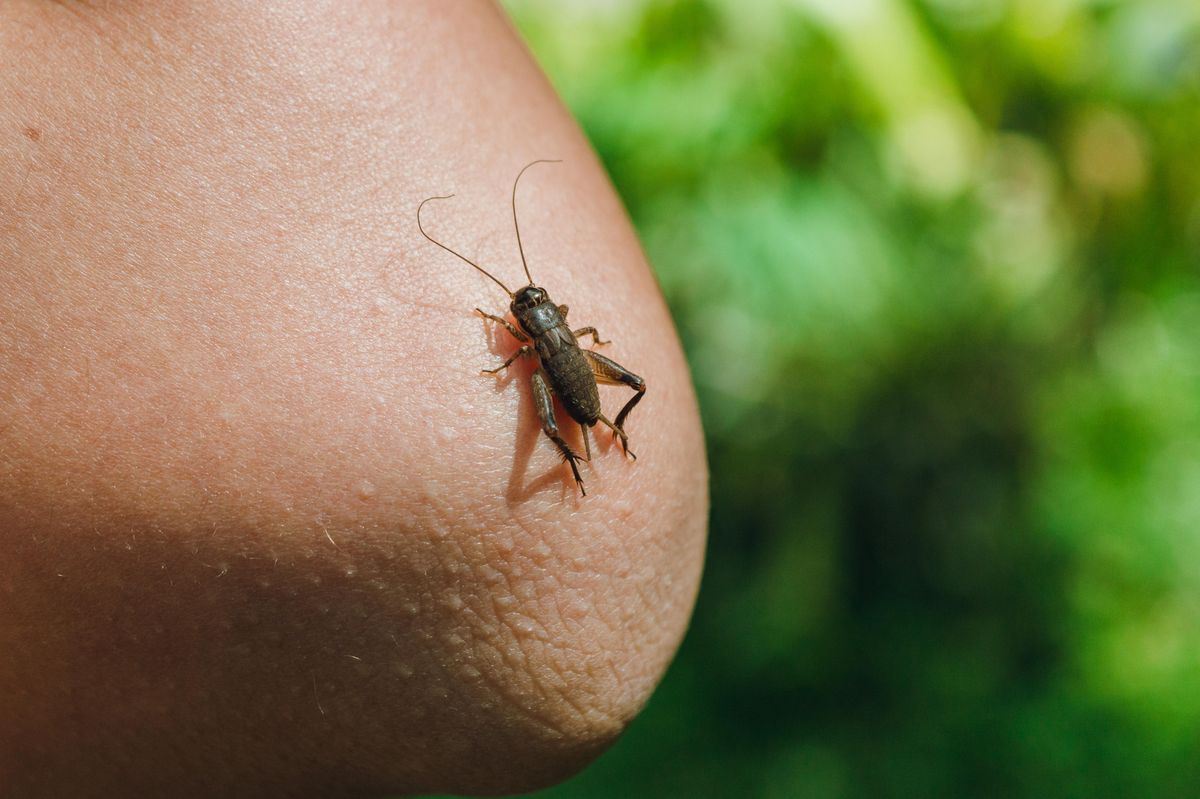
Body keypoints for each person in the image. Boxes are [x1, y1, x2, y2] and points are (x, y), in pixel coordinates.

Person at [0, 2, 707, 796]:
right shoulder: (533, 344)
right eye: (524, 316)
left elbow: (531, 353)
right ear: (531, 326)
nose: (527, 316)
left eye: (528, 310)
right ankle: (587, 451)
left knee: (610, 389)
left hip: (566, 389)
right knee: (551, 413)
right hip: (556, 395)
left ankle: (601, 438)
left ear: (536, 319)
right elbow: (532, 360)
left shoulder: (530, 341)